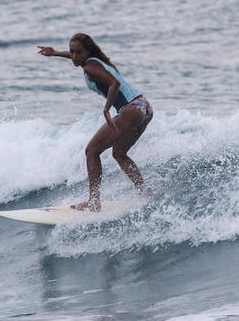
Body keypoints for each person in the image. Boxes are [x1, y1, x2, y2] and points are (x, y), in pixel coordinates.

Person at [38, 34, 153, 211]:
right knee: (119, 153)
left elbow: (114, 84)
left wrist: (107, 109)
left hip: (131, 109)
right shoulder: (92, 61)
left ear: (88, 52)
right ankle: (144, 192)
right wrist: (55, 53)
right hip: (144, 107)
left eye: (78, 52)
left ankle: (94, 202)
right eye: (72, 52)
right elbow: (76, 58)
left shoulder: (91, 67)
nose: (74, 56)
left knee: (92, 151)